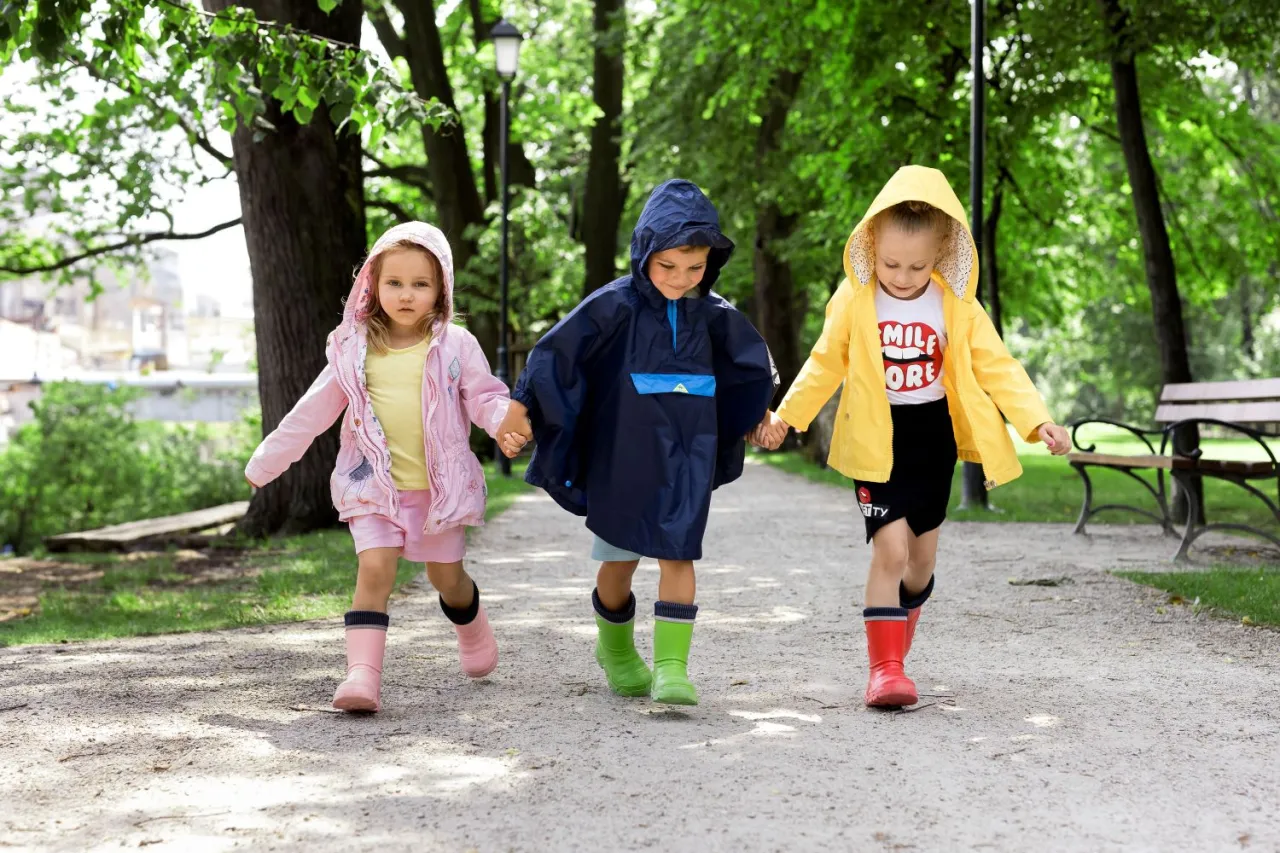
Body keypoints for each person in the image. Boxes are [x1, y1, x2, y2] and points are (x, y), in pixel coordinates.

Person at [755, 166, 1072, 707]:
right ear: (871, 245)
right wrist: (788, 416)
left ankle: (898, 644)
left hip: (933, 437)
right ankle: (884, 671)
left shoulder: (958, 306)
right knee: (890, 550)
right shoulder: (855, 300)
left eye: (917, 265)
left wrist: (1036, 419)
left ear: (944, 251)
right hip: (877, 438)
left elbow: (998, 367)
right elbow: (825, 360)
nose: (902, 276)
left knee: (920, 560)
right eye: (891, 263)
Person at [497, 179, 777, 706]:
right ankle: (617, 649)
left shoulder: (716, 315)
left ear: (711, 263)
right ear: (645, 252)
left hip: (686, 454)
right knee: (619, 563)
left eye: (695, 269)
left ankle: (673, 667)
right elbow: (556, 353)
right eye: (667, 266)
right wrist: (522, 406)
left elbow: (745, 370)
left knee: (679, 553)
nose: (680, 279)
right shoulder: (616, 305)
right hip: (622, 453)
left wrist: (758, 417)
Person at [245, 222, 520, 713]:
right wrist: (268, 460)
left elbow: (485, 397)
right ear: (373, 285)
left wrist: (504, 425)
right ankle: (361, 677)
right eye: (395, 283)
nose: (407, 295)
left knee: (446, 579)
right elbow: (312, 410)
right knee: (374, 569)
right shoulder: (352, 349)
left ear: (441, 290)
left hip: (438, 490)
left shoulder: (456, 345)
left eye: (421, 284)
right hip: (373, 485)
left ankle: (471, 625)